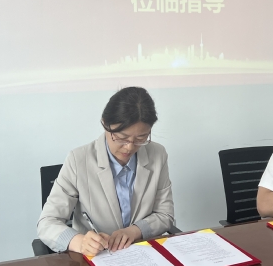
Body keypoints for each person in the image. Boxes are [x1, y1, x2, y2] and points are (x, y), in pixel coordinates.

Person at [37, 87, 174, 256]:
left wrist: (134, 231)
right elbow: (47, 223)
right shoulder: (78, 160)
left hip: (142, 254)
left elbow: (165, 214)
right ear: (105, 124)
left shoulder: (157, 155)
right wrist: (80, 242)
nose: (129, 147)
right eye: (122, 138)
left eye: (141, 138)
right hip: (96, 258)